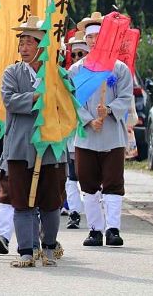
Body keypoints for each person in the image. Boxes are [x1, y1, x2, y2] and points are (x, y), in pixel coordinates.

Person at [1, 16, 67, 268]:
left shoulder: (57, 75)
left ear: (42, 46)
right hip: (20, 146)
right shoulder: (12, 73)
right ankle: (26, 251)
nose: (25, 47)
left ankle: (49, 247)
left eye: (31, 42)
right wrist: (38, 98)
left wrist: (54, 98)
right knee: (22, 202)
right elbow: (11, 101)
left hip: (51, 146)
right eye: (22, 42)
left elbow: (67, 106)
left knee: (51, 202)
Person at [70, 12, 133, 248]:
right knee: (88, 183)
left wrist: (109, 109)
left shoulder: (119, 69)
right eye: (90, 37)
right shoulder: (77, 70)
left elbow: (126, 96)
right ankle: (95, 229)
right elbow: (73, 101)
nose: (94, 41)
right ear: (85, 40)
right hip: (86, 137)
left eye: (98, 36)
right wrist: (88, 120)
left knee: (113, 183)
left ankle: (113, 228)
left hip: (112, 135)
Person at [65, 30, 88, 230]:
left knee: (91, 177)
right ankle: (74, 212)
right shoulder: (70, 73)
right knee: (72, 175)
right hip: (73, 131)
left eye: (81, 54)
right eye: (74, 54)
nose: (77, 58)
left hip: (95, 131)